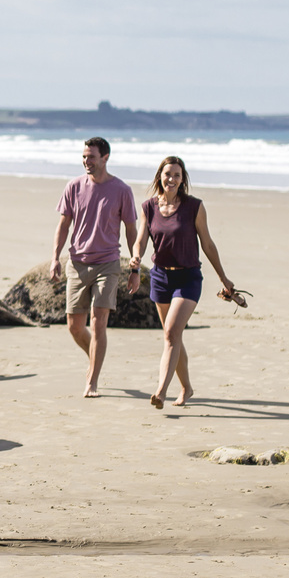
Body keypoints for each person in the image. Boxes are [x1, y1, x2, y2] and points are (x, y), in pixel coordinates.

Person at [128, 155, 238, 409]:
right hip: (160, 276)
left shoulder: (194, 207)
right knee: (173, 335)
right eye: (168, 174)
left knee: (170, 333)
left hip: (188, 277)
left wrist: (223, 277)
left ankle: (160, 391)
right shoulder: (149, 207)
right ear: (160, 177)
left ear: (182, 179)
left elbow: (207, 244)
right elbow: (141, 239)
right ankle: (187, 388)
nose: (172, 179)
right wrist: (136, 257)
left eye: (177, 175)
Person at [49, 137, 139, 398]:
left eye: (91, 157)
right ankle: (95, 357)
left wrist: (135, 265)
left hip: (108, 264)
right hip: (77, 264)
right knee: (75, 326)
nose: (87, 161)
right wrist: (55, 257)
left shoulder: (122, 190)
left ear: (105, 158)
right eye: (84, 157)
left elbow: (131, 229)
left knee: (99, 323)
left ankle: (92, 381)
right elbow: (64, 225)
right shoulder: (74, 187)